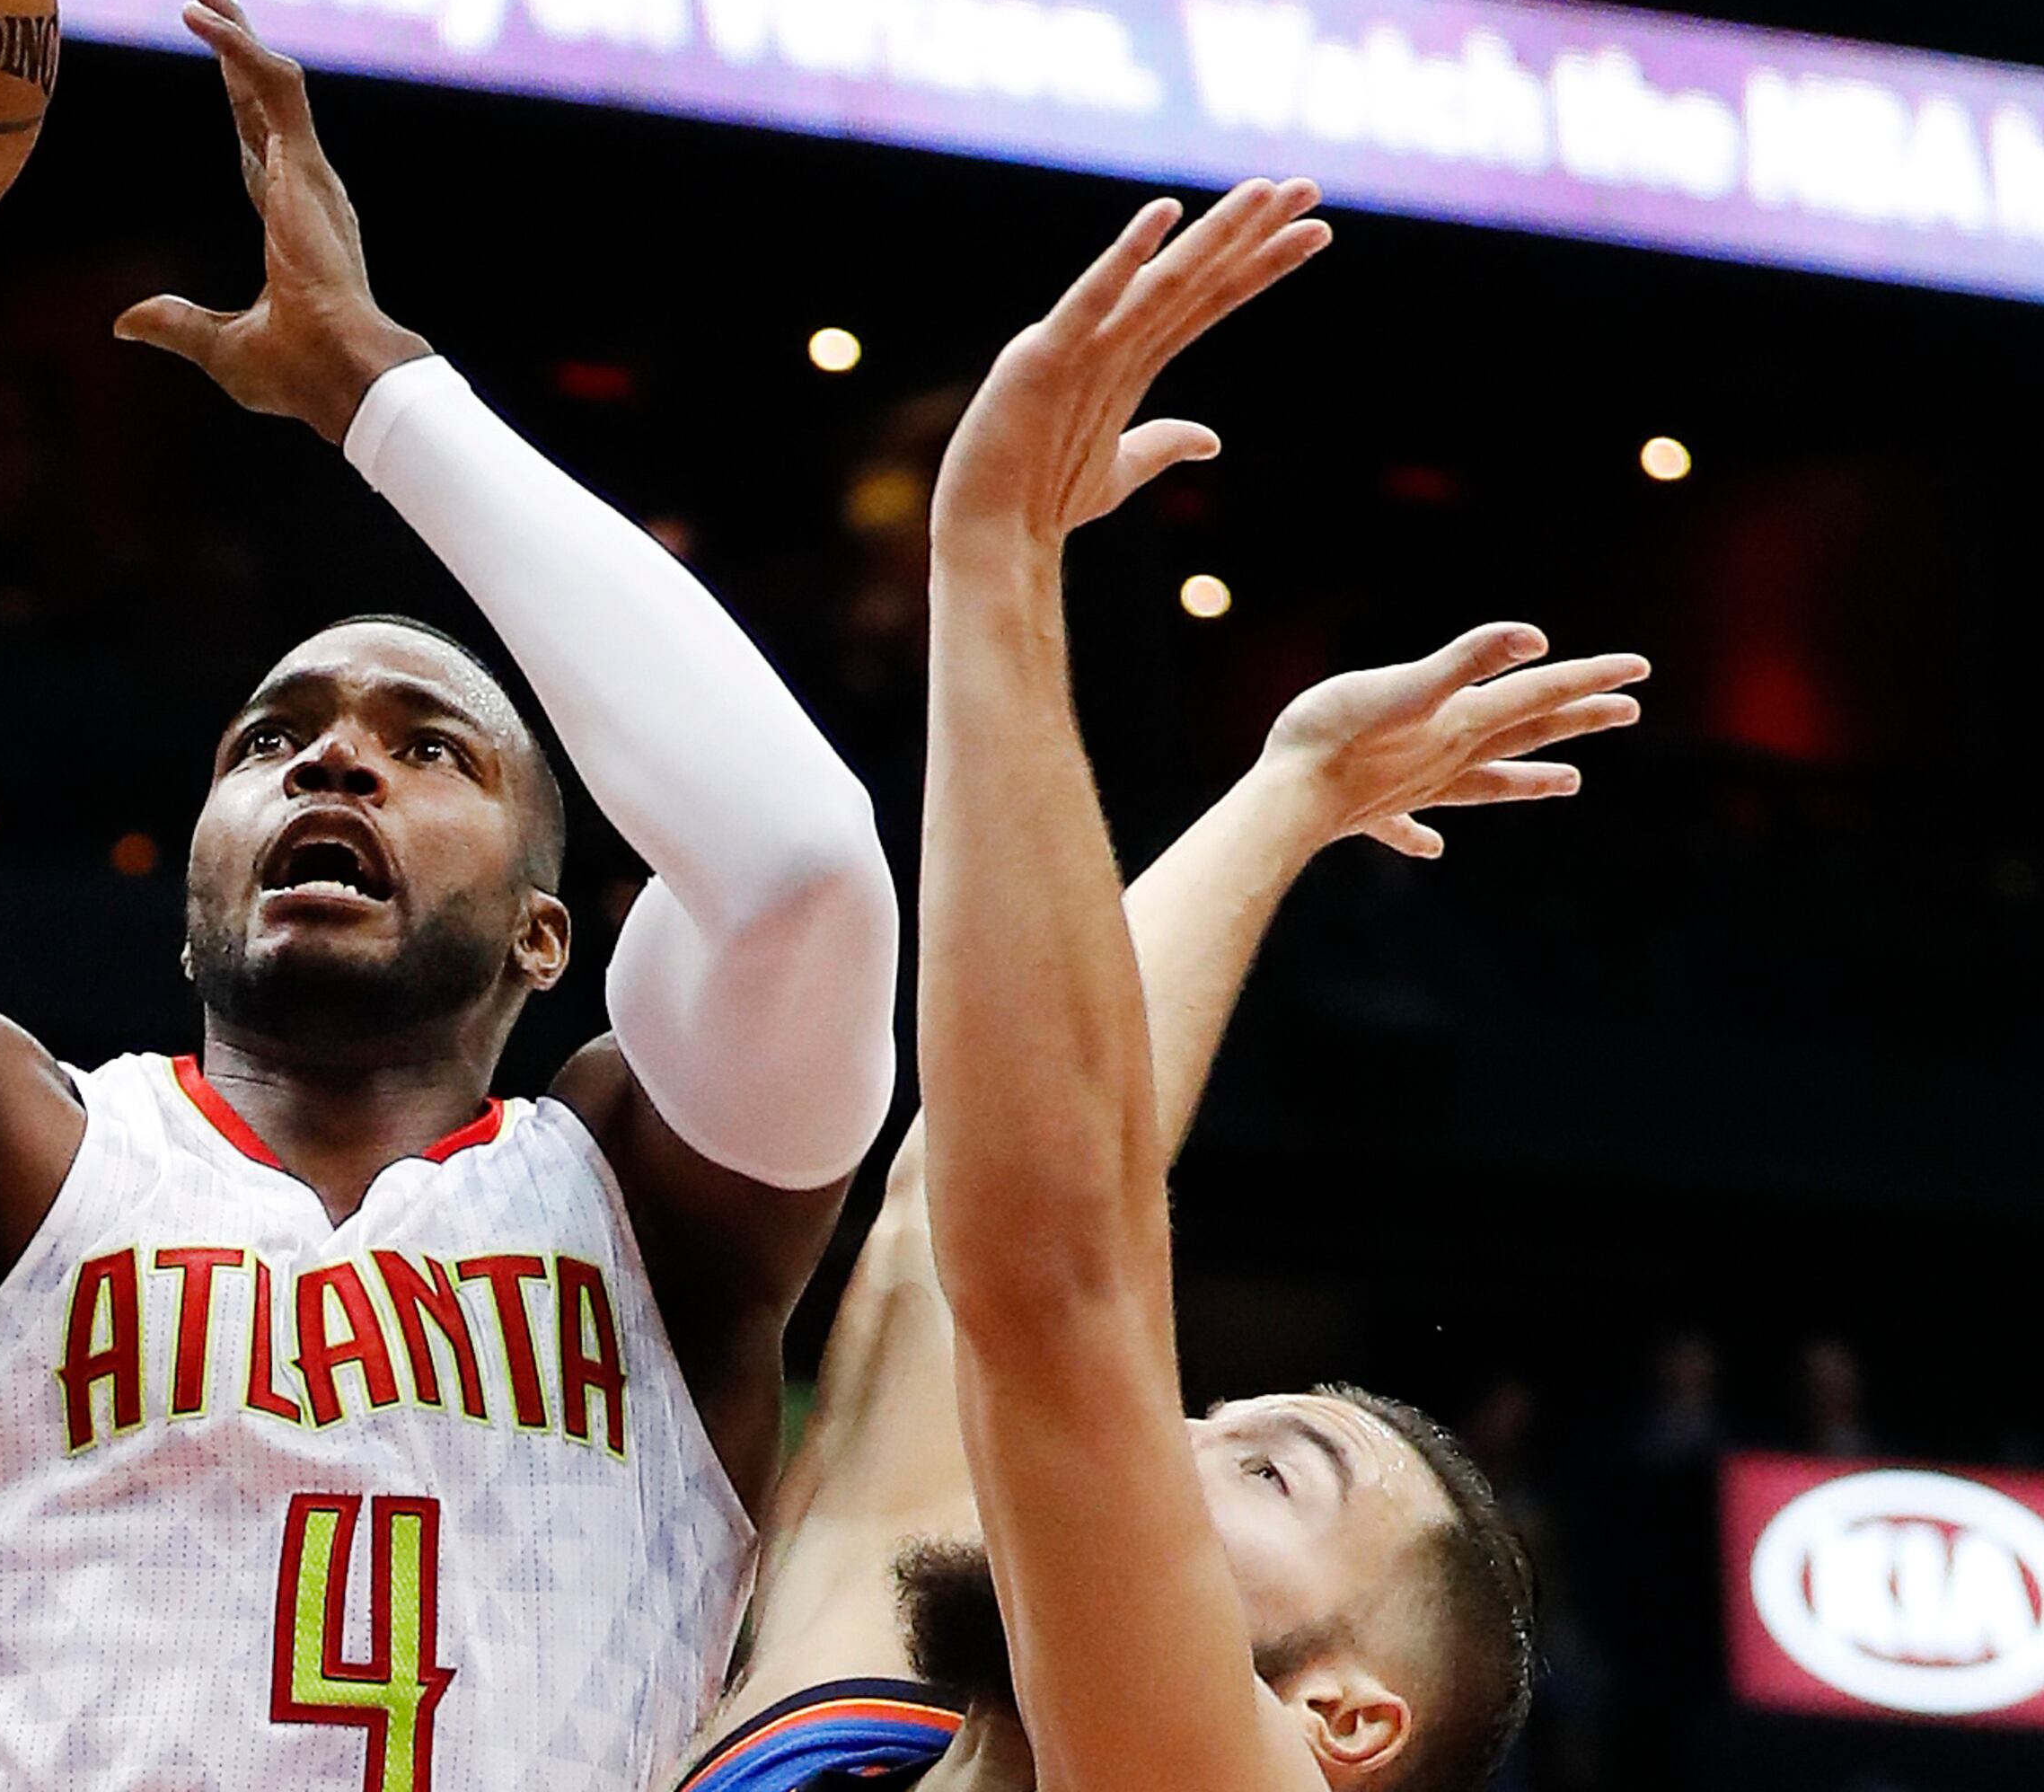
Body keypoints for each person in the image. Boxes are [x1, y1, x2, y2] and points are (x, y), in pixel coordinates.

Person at [0, 0, 904, 1789]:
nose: (334, 756)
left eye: (435, 749)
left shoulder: (661, 1218)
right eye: (272, 741)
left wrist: (385, 397)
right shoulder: (1, 1164)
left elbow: (802, 867)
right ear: (196, 881)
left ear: (548, 933)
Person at [684, 181, 1631, 1792]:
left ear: (1343, 1720)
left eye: (1271, 1473)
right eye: (1207, 1418)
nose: (1162, 1436)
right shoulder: (861, 1691)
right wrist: (1291, 797)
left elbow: (1052, 1273)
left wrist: (996, 560)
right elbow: (945, 1230)